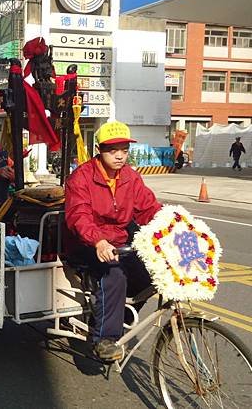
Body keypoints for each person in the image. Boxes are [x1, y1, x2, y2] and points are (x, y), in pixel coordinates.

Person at [64, 120, 162, 362]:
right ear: (99, 149)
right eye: (112, 150)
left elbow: (148, 209)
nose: (120, 156)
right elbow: (79, 216)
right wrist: (98, 241)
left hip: (120, 241)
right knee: (114, 275)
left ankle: (120, 317)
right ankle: (105, 338)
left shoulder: (130, 177)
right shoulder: (81, 177)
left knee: (152, 275)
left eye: (124, 150)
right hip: (86, 244)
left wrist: (173, 225)